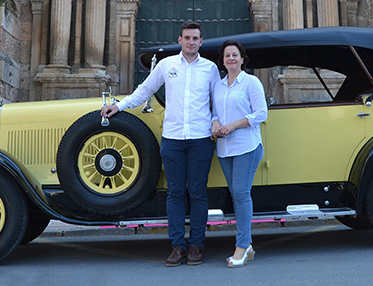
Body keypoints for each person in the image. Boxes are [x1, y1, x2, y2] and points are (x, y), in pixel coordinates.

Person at [100, 21, 218, 267]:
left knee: (197, 192)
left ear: (201, 42)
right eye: (187, 38)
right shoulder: (166, 65)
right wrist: (118, 106)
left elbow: (216, 102)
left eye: (195, 38)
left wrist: (217, 123)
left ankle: (196, 245)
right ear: (180, 40)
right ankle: (177, 246)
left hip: (200, 139)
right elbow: (144, 91)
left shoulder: (210, 68)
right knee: (174, 193)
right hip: (173, 139)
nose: (191, 42)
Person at [211, 40, 268, 268]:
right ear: (223, 61)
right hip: (224, 149)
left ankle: (242, 247)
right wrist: (215, 124)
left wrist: (234, 125)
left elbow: (261, 113)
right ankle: (249, 245)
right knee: (236, 195)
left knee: (242, 194)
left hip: (246, 146)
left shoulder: (251, 82)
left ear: (242, 58)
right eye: (227, 56)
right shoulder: (219, 85)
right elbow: (214, 112)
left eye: (235, 55)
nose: (231, 59)